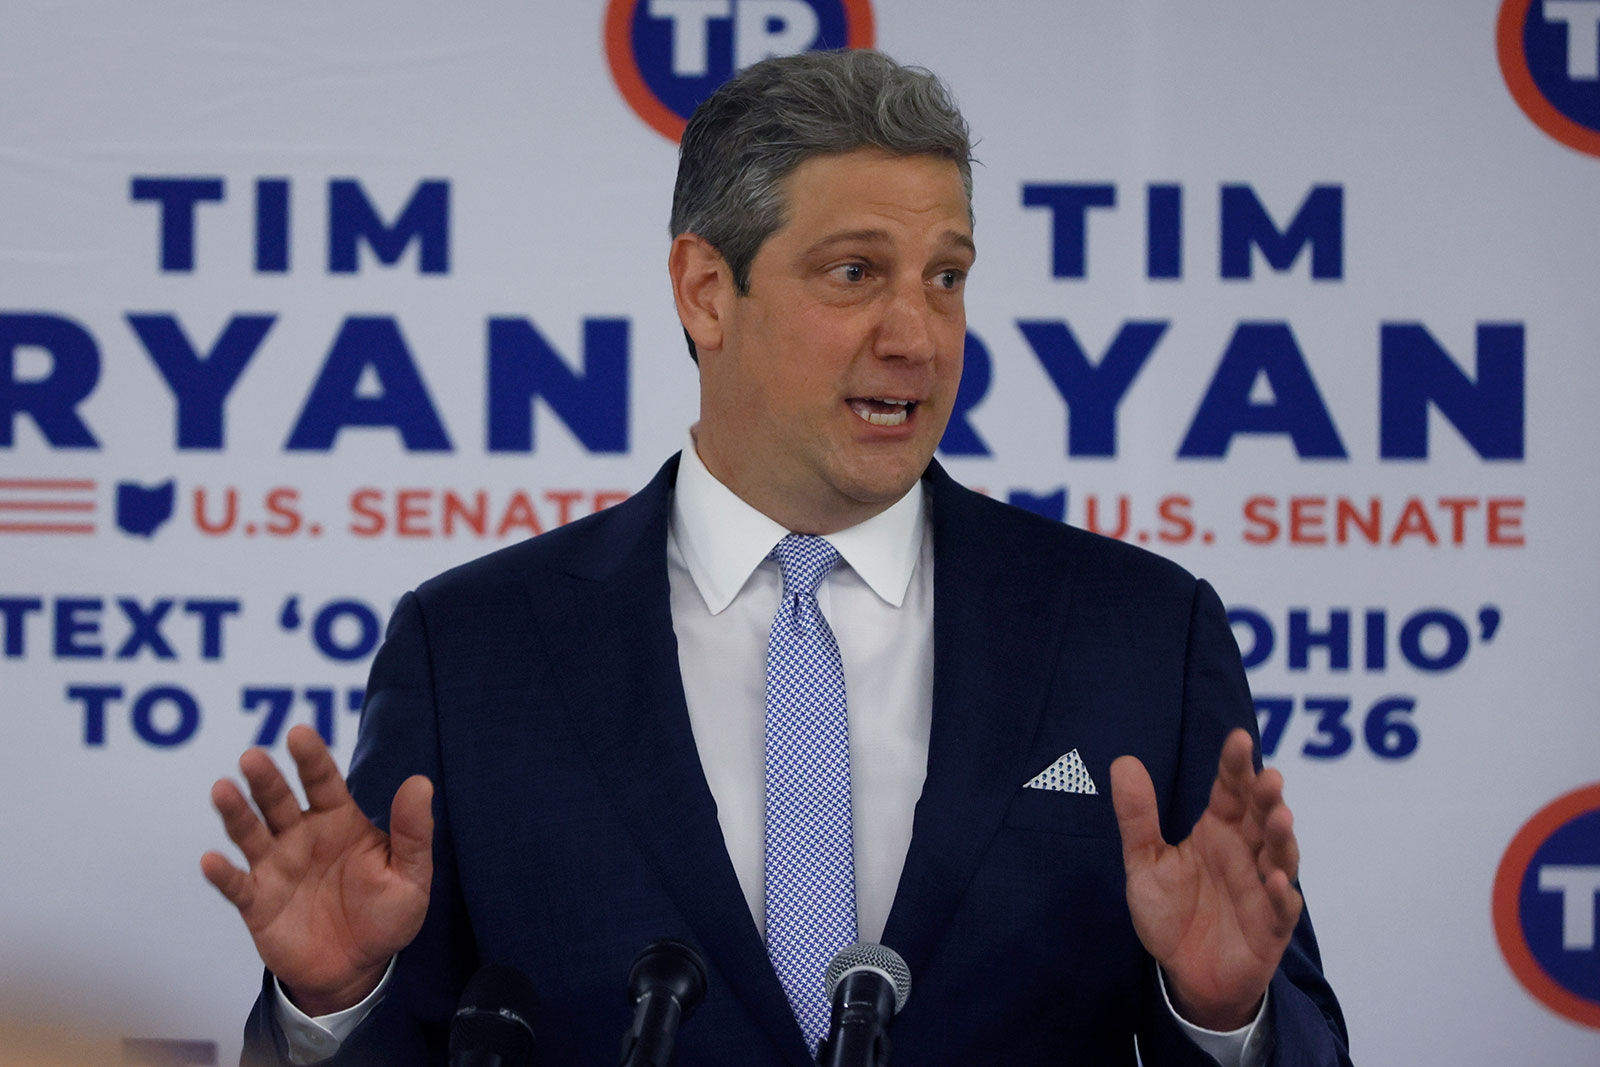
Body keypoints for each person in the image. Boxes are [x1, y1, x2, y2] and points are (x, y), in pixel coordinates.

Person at [202, 50, 1350, 1065]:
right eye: (855, 272)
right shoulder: (477, 649)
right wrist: (336, 999)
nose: (917, 333)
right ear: (708, 291)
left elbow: (1296, 1032)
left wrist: (1221, 1013)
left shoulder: (1138, 630)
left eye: (945, 276)